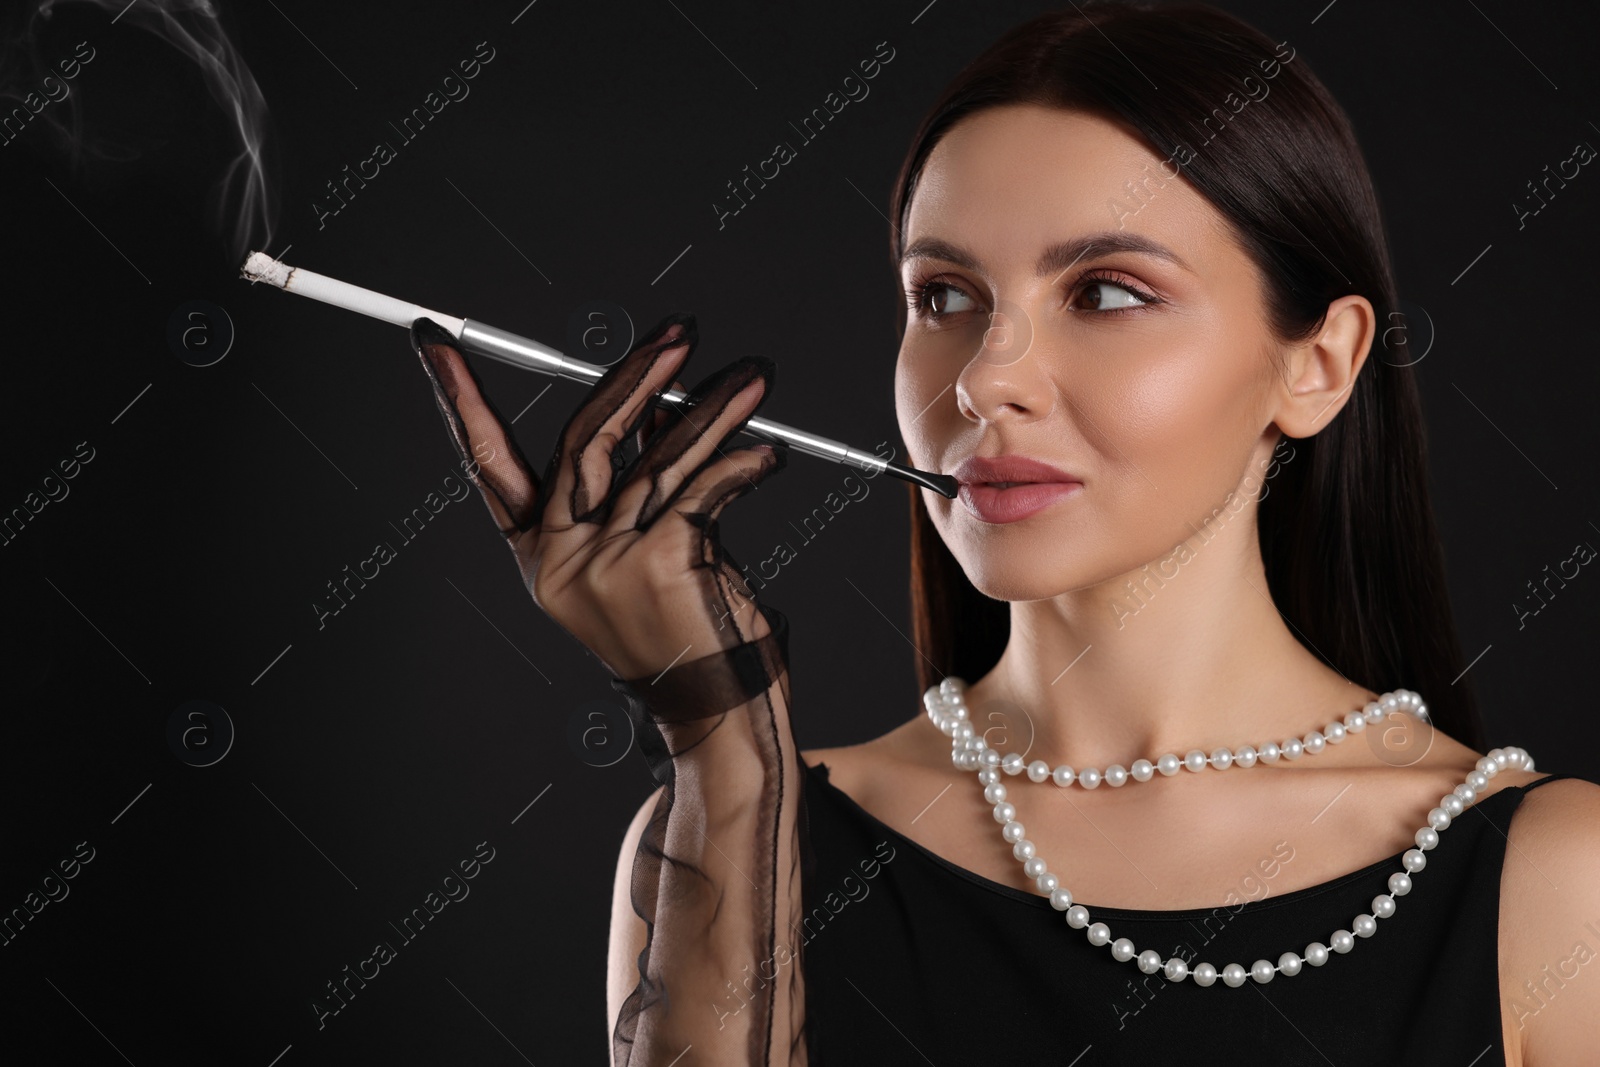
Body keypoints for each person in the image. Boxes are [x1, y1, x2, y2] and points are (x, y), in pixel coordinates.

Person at [407, 3, 1600, 1064]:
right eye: (945, 298)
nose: (983, 379)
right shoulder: (733, 834)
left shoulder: (1556, 879)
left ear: (1319, 361)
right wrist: (719, 745)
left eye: (1107, 293)